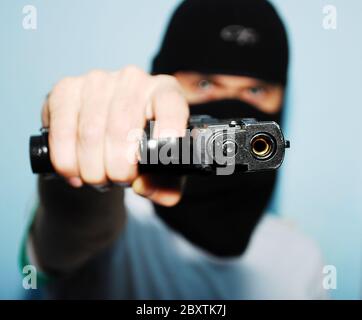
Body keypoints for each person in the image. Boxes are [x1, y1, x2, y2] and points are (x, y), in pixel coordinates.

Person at [23, 0, 326, 299]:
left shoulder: (301, 260)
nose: (232, 110)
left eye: (256, 91)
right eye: (205, 84)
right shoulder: (116, 221)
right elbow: (72, 230)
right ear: (165, 87)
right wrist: (81, 182)